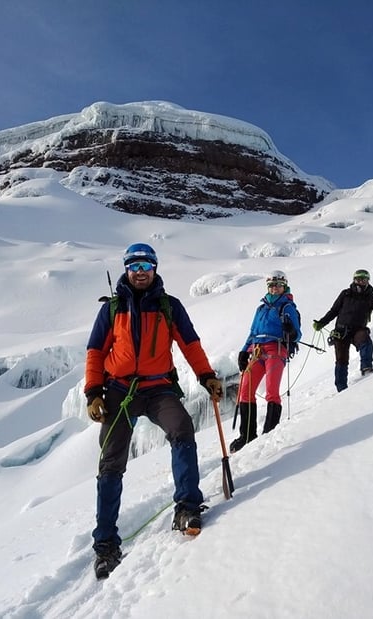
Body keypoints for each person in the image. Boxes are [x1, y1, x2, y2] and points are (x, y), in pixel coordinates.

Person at [84, 242, 223, 579]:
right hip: (120, 391)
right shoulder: (112, 309)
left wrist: (206, 375)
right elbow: (95, 352)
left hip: (159, 387)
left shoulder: (168, 307)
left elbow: (190, 344)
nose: (140, 271)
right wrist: (93, 393)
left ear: (155, 268)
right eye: (134, 266)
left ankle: (187, 508)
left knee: (182, 429)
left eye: (146, 265)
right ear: (126, 270)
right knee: (111, 462)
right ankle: (105, 545)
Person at [231, 270, 301, 453]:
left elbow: (297, 334)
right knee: (245, 391)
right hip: (257, 350)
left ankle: (269, 433)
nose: (274, 288)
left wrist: (291, 331)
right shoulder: (261, 308)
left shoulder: (287, 307)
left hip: (276, 350)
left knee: (271, 391)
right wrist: (244, 351)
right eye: (271, 285)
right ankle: (247, 435)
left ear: (284, 287)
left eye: (278, 285)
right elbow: (253, 333)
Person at [312, 269, 373, 392]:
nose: (361, 282)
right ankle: (341, 389)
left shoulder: (370, 298)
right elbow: (334, 311)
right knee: (341, 360)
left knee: (365, 342)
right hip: (341, 331)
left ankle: (366, 368)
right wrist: (321, 323)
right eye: (358, 279)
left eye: (364, 279)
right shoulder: (345, 294)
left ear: (368, 281)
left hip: (358, 329)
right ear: (354, 280)